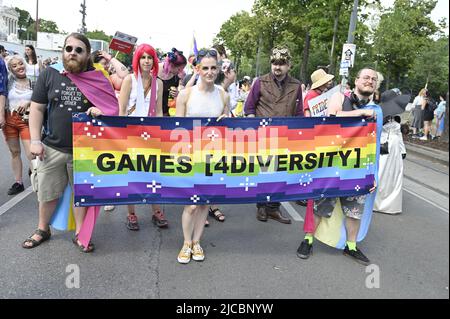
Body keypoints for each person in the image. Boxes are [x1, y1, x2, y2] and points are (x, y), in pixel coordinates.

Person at [22, 33, 118, 252]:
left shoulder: (98, 78)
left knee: (82, 194)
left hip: (85, 150)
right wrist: (35, 140)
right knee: (47, 192)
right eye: (68, 48)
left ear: (87, 55)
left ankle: (80, 234)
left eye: (78, 50)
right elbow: (37, 108)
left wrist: (99, 112)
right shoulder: (50, 74)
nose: (72, 53)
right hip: (52, 147)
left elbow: (111, 110)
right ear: (63, 51)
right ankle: (42, 229)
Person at [296, 67, 379, 265]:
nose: (369, 81)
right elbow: (332, 117)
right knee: (320, 204)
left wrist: (373, 173)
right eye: (366, 77)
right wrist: (361, 112)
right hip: (332, 163)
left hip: (357, 166)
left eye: (373, 79)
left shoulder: (377, 109)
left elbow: (375, 143)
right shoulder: (340, 98)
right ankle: (307, 240)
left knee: (354, 209)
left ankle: (351, 246)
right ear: (357, 80)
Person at [175, 49, 230, 264]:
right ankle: (186, 242)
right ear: (197, 69)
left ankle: (197, 242)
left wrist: (227, 119)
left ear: (218, 69)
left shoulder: (223, 94)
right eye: (205, 68)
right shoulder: (186, 95)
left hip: (212, 156)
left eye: (213, 68)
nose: (209, 72)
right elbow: (175, 130)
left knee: (205, 203)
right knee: (190, 204)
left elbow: (228, 128)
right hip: (189, 155)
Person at [244, 47, 304, 225]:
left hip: (285, 137)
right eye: (275, 63)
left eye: (282, 64)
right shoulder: (260, 82)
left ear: (289, 65)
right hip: (263, 136)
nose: (277, 67)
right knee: (264, 172)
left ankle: (274, 208)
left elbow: (299, 112)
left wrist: (300, 134)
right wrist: (254, 127)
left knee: (280, 173)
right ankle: (261, 206)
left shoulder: (296, 85)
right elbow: (249, 108)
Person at [119, 43, 168, 230]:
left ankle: (156, 211)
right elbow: (122, 110)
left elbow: (159, 112)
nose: (147, 61)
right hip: (130, 133)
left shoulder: (159, 83)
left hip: (151, 135)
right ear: (137, 60)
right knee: (131, 174)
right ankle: (131, 214)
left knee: (152, 173)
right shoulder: (129, 80)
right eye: (143, 57)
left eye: (150, 57)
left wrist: (161, 136)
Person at [374, 89, 410, 214]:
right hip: (383, 145)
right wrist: (384, 120)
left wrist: (402, 149)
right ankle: (376, 203)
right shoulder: (379, 112)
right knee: (381, 173)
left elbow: (398, 133)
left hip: (395, 148)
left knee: (394, 174)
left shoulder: (396, 113)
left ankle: (391, 205)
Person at [3, 56, 33, 195]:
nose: (19, 67)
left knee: (31, 154)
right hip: (10, 120)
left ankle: (37, 178)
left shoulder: (34, 81)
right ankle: (18, 182)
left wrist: (29, 103)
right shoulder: (8, 82)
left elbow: (42, 100)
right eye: (14, 66)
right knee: (14, 152)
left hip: (26, 121)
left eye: (21, 63)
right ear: (10, 69)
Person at [158, 48, 187, 117]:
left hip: (167, 114)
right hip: (151, 112)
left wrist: (177, 93)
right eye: (179, 69)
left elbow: (178, 92)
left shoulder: (177, 77)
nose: (180, 72)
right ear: (171, 65)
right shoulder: (154, 71)